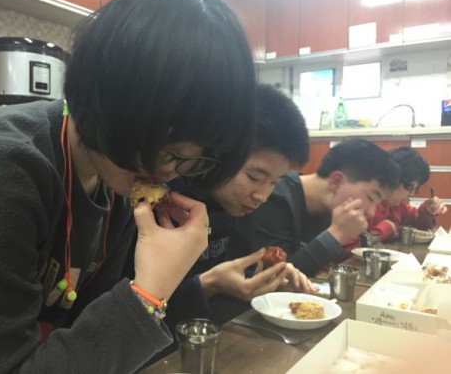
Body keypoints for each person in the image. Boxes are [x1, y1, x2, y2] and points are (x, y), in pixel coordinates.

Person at [0, 0, 258, 373]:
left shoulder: (116, 182)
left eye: (196, 159)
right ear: (112, 91)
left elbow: (80, 337)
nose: (167, 172)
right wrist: (148, 295)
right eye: (166, 146)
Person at [125, 84, 316, 366]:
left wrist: (261, 275)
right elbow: (128, 316)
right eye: (254, 177)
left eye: (274, 182)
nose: (262, 195)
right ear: (220, 153)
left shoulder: (228, 203)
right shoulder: (161, 201)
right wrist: (207, 285)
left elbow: (217, 270)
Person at [230, 139, 401, 277]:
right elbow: (278, 276)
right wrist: (337, 234)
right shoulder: (275, 196)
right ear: (336, 181)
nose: (372, 212)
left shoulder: (327, 208)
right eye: (371, 198)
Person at [367, 147, 447, 241]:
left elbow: (416, 222)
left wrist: (427, 211)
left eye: (415, 189)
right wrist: (384, 230)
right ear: (393, 178)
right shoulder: (366, 205)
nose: (412, 194)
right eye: (409, 187)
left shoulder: (398, 206)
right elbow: (354, 245)